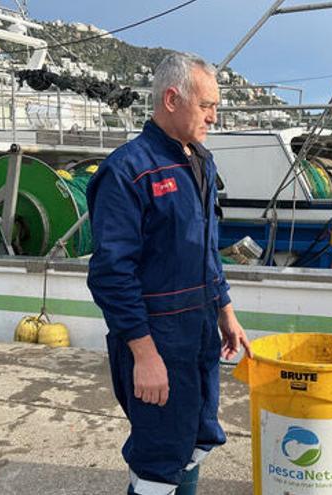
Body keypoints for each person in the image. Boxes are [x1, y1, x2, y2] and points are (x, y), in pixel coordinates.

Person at [86, 52, 251, 495]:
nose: (214, 117)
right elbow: (109, 274)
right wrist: (144, 354)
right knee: (158, 459)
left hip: (198, 333)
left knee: (198, 437)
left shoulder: (200, 161)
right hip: (156, 339)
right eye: (207, 106)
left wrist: (226, 312)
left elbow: (205, 249)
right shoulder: (127, 171)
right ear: (173, 99)